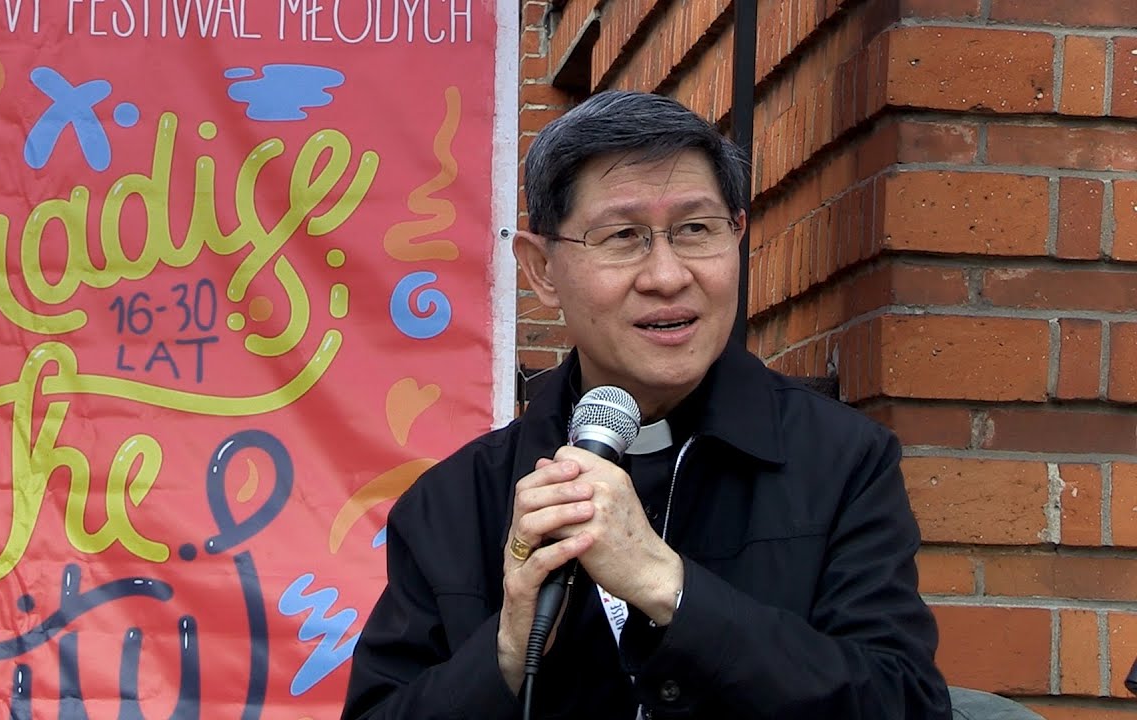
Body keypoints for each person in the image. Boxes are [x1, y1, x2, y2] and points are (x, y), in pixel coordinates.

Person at [342, 90, 953, 719]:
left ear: (737, 236)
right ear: (542, 271)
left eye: (695, 229)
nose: (667, 275)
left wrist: (672, 589)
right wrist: (503, 653)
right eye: (623, 236)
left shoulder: (843, 462)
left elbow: (903, 701)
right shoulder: (455, 502)